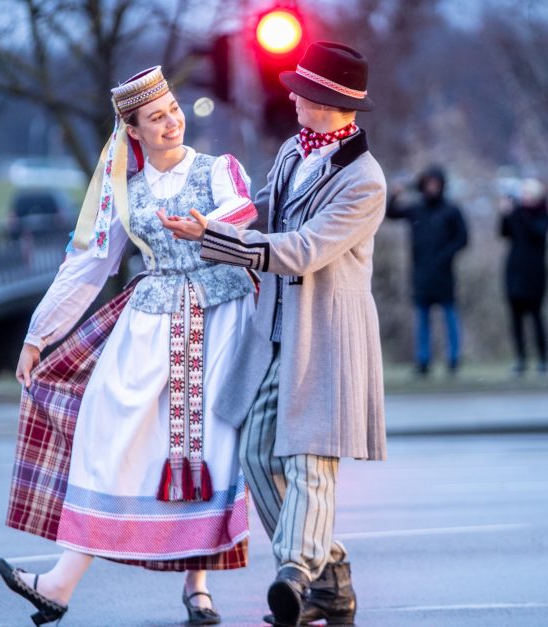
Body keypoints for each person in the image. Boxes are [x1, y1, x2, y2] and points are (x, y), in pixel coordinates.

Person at [0, 66, 258, 626]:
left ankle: (198, 587)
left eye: (173, 111)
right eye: (156, 117)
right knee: (111, 433)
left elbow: (242, 212)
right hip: (151, 324)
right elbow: (89, 263)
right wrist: (38, 334)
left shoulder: (218, 170)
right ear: (133, 130)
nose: (171, 122)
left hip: (220, 320)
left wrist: (202, 227)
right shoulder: (128, 194)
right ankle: (60, 583)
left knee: (209, 448)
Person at [159, 41, 386, 627]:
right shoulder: (292, 151)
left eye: (303, 90)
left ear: (331, 102)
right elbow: (260, 211)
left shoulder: (365, 181)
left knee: (312, 461)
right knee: (259, 457)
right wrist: (205, 222)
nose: (291, 95)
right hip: (277, 335)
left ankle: (295, 575)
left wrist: (211, 240)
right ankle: (329, 577)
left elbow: (301, 251)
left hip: (330, 335)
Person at [386, 166, 468, 375]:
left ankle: (454, 360)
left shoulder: (451, 211)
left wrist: (444, 257)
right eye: (428, 184)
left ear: (442, 185)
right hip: (421, 274)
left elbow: (462, 239)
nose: (432, 188)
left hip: (444, 275)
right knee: (422, 319)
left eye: (435, 184)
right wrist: (395, 195)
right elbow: (392, 214)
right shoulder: (416, 209)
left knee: (450, 316)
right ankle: (423, 362)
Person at [500, 178, 548, 374]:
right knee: (516, 319)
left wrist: (520, 212)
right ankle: (520, 359)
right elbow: (504, 232)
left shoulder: (542, 216)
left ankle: (543, 359)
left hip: (535, 274)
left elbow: (537, 233)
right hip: (514, 272)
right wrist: (505, 213)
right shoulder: (517, 215)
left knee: (536, 316)